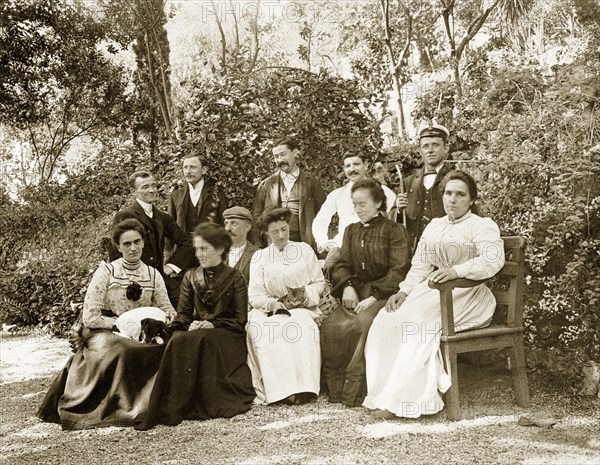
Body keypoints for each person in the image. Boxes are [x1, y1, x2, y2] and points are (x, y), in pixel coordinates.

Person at [364, 170, 505, 419]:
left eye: (460, 194)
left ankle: (406, 401)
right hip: (436, 291)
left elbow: (493, 261)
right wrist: (404, 291)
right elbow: (420, 264)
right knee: (386, 320)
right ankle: (383, 394)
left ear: (472, 200)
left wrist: (456, 270)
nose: (453, 199)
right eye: (448, 193)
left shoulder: (482, 226)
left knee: (417, 325)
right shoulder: (435, 226)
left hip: (469, 295)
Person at [37, 219, 176, 430]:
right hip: (107, 329)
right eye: (127, 244)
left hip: (143, 332)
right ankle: (123, 408)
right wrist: (121, 324)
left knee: (167, 346)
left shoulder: (152, 274)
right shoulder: (107, 272)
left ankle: (153, 405)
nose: (133, 248)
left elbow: (166, 307)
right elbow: (90, 316)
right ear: (118, 247)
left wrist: (168, 317)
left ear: (143, 243)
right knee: (125, 348)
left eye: (137, 242)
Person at [137, 223, 255, 430]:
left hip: (228, 335)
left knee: (198, 338)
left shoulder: (236, 278)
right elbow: (183, 315)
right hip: (198, 331)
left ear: (219, 249)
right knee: (180, 338)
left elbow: (240, 320)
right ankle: (173, 404)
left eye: (204, 249)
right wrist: (171, 328)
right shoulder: (190, 276)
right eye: (197, 249)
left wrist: (213, 323)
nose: (199, 254)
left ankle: (205, 401)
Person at [319, 179, 411, 407]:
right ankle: (336, 391)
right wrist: (348, 286)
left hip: (383, 293)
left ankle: (355, 392)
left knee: (362, 324)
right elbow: (341, 264)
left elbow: (399, 269)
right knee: (331, 325)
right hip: (355, 291)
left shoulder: (394, 230)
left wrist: (374, 296)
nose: (358, 210)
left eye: (363, 204)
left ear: (379, 202)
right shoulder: (351, 230)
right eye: (355, 205)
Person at [246, 207, 325, 405]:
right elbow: (255, 294)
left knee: (300, 325)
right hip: (270, 309)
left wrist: (305, 295)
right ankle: (280, 390)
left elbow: (319, 282)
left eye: (284, 229)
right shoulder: (260, 257)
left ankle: (305, 388)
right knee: (265, 329)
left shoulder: (304, 250)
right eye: (275, 232)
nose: (281, 235)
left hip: (302, 307)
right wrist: (272, 303)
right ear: (267, 233)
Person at [109, 171, 193, 307]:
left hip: (161, 280)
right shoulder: (125, 215)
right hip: (134, 282)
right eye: (145, 187)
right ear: (134, 191)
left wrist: (172, 266)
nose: (152, 190)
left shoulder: (162, 217)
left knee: (181, 312)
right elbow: (115, 251)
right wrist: (124, 282)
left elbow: (187, 242)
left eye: (154, 186)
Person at [312, 153, 397, 272]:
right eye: (348, 166)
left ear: (366, 166)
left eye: (356, 164)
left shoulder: (383, 192)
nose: (352, 169)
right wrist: (324, 242)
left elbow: (391, 219)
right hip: (343, 246)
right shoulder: (338, 194)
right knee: (330, 268)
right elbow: (320, 220)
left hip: (373, 246)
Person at [252, 135, 326, 250]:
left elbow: (323, 216)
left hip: (304, 245)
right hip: (274, 245)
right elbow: (256, 217)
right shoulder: (266, 185)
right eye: (276, 156)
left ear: (295, 153)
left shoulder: (311, 183)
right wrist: (258, 246)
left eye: (283, 154)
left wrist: (320, 243)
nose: (280, 160)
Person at [392, 123, 452, 250]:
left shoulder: (456, 179)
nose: (430, 150)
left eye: (435, 145)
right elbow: (393, 223)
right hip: (414, 252)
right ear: (420, 151)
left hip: (446, 250)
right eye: (425, 146)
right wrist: (398, 210)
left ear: (446, 148)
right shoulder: (407, 183)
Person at [168, 152, 228, 230]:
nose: (188, 171)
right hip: (183, 242)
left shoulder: (217, 195)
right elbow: (169, 228)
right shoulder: (175, 196)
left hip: (209, 241)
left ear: (204, 170)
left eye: (192, 167)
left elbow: (225, 225)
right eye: (185, 167)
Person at [223, 206, 259, 284]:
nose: (228, 228)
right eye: (226, 224)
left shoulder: (257, 254)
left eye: (233, 223)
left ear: (247, 227)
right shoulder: (217, 252)